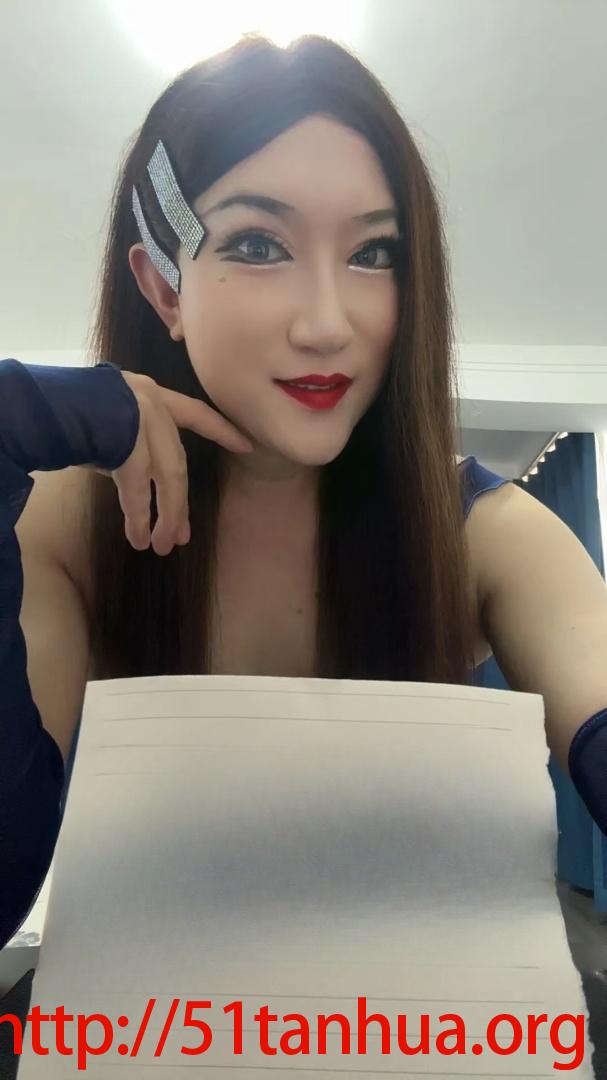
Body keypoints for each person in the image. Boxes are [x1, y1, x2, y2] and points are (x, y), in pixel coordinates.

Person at [1, 34, 606, 950]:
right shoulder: (70, 525)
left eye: (374, 253)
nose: (327, 324)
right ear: (164, 289)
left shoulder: (484, 532)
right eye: (257, 244)